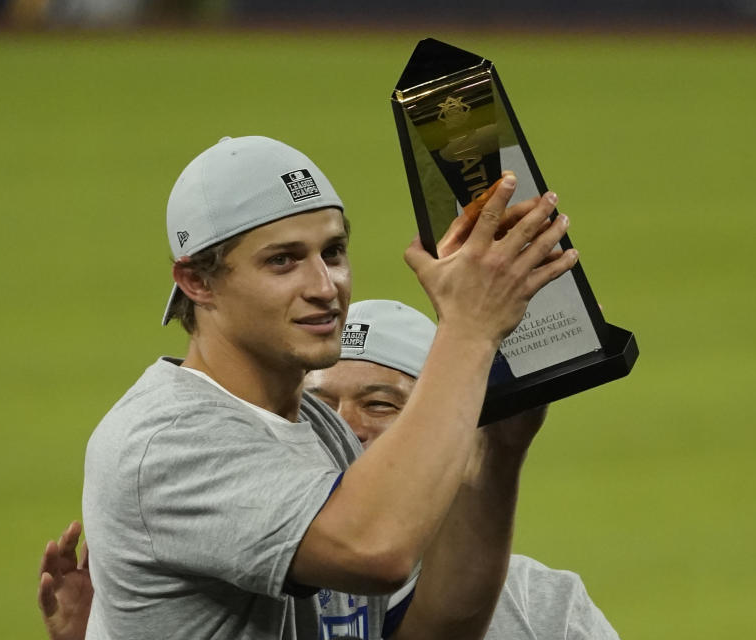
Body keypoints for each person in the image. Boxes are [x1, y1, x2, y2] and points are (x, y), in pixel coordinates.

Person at [78, 134, 579, 639]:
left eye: (333, 252)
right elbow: (376, 547)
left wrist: (500, 446)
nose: (324, 287)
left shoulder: (320, 428)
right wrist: (468, 328)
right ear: (197, 283)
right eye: (283, 261)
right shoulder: (167, 440)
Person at [38, 301, 618, 640]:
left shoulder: (538, 608)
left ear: (446, 432)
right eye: (316, 406)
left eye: (381, 404)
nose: (342, 428)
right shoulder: (254, 597)